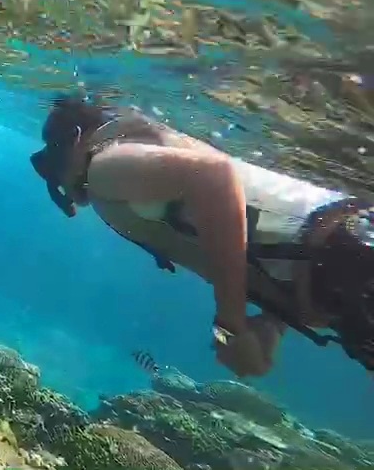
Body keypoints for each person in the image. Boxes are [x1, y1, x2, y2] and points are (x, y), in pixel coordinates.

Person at [29, 93, 374, 377]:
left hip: (348, 265)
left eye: (53, 160)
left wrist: (231, 325)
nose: (58, 181)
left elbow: (214, 178)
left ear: (75, 140)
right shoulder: (126, 153)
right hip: (342, 270)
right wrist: (274, 323)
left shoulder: (105, 166)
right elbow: (257, 225)